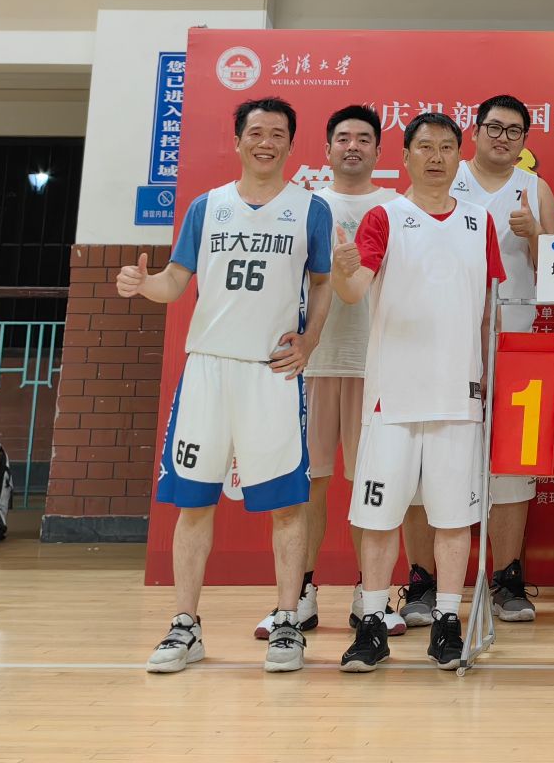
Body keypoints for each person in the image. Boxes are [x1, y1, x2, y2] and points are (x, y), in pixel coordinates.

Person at [126, 95, 335, 675]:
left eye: (278, 133)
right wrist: (142, 284)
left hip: (271, 372)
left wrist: (310, 339)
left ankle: (287, 621)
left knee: (287, 504)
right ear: (238, 140)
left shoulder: (310, 209)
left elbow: (322, 284)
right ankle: (185, 624)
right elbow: (174, 281)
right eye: (256, 132)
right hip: (208, 370)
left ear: (291, 144)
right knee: (193, 503)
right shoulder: (207, 207)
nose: (266, 142)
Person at [333, 111, 504, 673]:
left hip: (459, 395)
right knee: (380, 518)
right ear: (405, 156)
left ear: (460, 155)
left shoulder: (479, 221)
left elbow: (489, 310)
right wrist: (344, 269)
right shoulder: (385, 216)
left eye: (446, 147)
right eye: (424, 147)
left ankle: (448, 621)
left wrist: (489, 374)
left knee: (453, 518)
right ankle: (373, 623)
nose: (436, 157)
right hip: (394, 398)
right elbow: (354, 291)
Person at [255, 103, 394, 643]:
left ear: (379, 150)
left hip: (375, 366)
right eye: (343, 138)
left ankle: (369, 593)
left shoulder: (396, 208)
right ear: (327, 149)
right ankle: (301, 593)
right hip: (309, 364)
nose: (353, 146)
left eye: (364, 138)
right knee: (307, 483)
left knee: (370, 484)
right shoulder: (303, 206)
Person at [450, 93, 554, 623]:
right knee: (441, 454)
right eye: (494, 128)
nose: (503, 138)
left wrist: (534, 234)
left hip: (515, 339)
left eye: (514, 131)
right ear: (475, 131)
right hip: (446, 341)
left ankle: (507, 577)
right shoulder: (446, 178)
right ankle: (428, 581)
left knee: (513, 461)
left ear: (524, 141)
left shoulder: (534, 188)